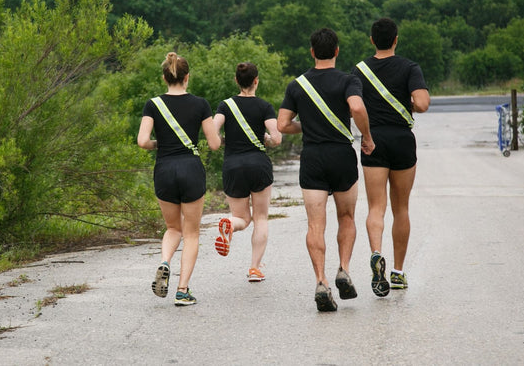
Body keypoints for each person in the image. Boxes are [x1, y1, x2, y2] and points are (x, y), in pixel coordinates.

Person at [277, 28, 375, 312]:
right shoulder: (348, 80)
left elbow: (282, 124)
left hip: (313, 157)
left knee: (315, 224)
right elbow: (356, 107)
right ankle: (343, 269)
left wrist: (306, 125)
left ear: (311, 52)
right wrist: (366, 137)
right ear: (336, 51)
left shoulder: (297, 86)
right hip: (342, 155)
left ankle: (321, 281)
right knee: (346, 217)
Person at [352, 17, 430, 297]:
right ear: (396, 39)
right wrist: (403, 103)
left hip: (374, 140)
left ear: (372, 40)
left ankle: (376, 253)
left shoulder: (359, 71)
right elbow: (421, 103)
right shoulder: (410, 68)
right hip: (401, 140)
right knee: (402, 208)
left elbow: (352, 107)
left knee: (376, 207)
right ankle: (397, 272)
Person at [137, 52, 221, 306]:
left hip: (164, 169)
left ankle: (164, 262)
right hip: (191, 169)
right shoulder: (201, 104)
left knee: (173, 228)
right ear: (187, 78)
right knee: (192, 233)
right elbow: (214, 144)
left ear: (164, 77)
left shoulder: (153, 105)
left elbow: (142, 141)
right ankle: (182, 291)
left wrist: (158, 144)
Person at [213, 62, 282, 282]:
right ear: (256, 81)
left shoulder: (225, 106)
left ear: (236, 80)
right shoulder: (264, 106)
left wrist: (226, 140)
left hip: (233, 166)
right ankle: (254, 268)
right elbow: (277, 138)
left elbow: (212, 135)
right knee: (260, 218)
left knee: (242, 217)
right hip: (258, 165)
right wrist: (267, 140)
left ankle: (230, 224)